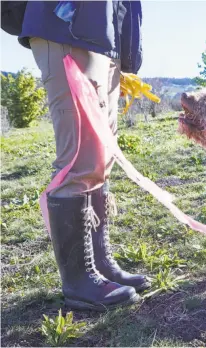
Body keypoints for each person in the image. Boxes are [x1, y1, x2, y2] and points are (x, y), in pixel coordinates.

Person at [16, 1, 150, 311]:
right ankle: (79, 280)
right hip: (67, 23)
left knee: (102, 158)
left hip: (106, 37)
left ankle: (100, 263)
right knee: (80, 159)